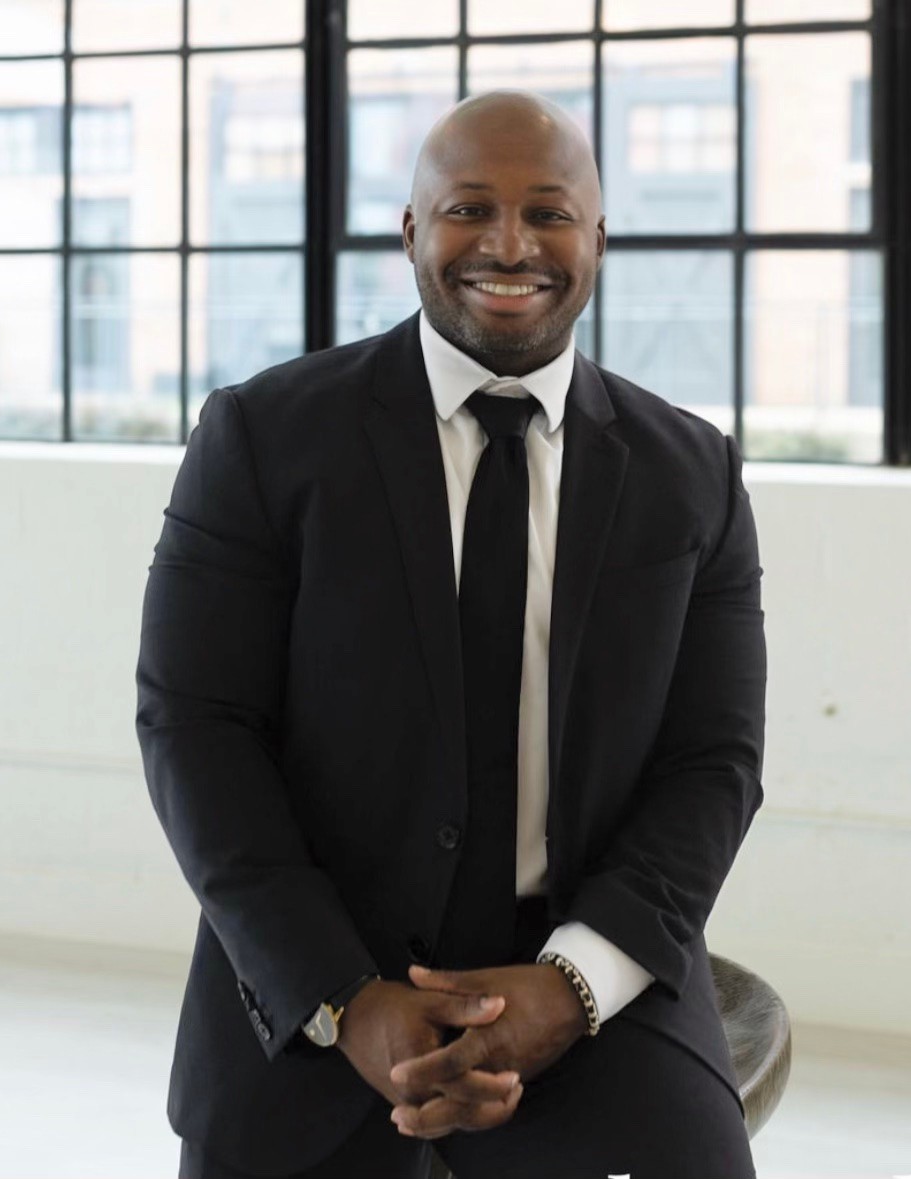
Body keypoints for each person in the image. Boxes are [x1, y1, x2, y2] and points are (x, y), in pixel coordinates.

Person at [135, 89, 766, 1179]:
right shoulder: (262, 438)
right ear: (411, 232)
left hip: (594, 985)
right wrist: (342, 998)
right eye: (470, 208)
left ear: (599, 238)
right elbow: (195, 730)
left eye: (549, 213)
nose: (509, 245)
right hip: (315, 981)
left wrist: (572, 986)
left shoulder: (692, 472)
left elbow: (714, 763)